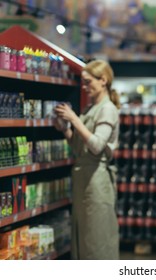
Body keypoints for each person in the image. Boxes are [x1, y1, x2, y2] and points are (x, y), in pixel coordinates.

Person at [53, 59, 121, 259]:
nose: (84, 87)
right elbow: (79, 147)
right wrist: (65, 129)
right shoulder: (90, 109)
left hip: (97, 181)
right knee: (83, 238)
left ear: (103, 80)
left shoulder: (107, 109)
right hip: (84, 180)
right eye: (83, 82)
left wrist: (74, 119)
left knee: (97, 240)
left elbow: (97, 145)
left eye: (88, 82)